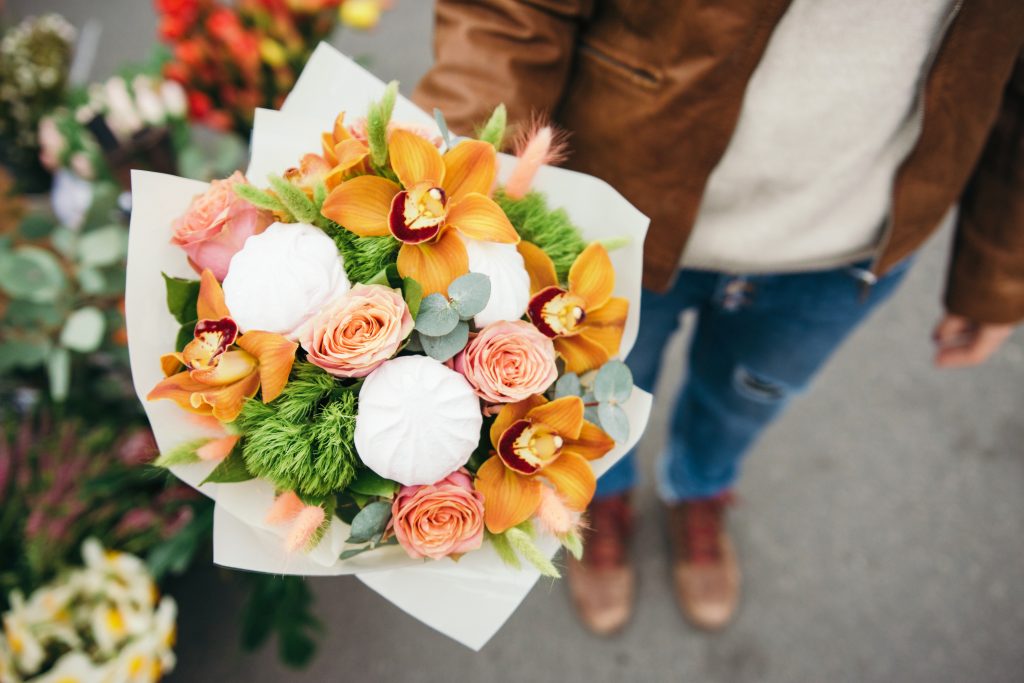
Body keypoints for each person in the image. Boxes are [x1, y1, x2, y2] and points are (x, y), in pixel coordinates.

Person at [412, 0, 1024, 635]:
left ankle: (699, 489)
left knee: (743, 403)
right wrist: (451, 200)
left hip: (846, 249)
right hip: (621, 222)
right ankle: (602, 499)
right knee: (582, 409)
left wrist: (998, 277)